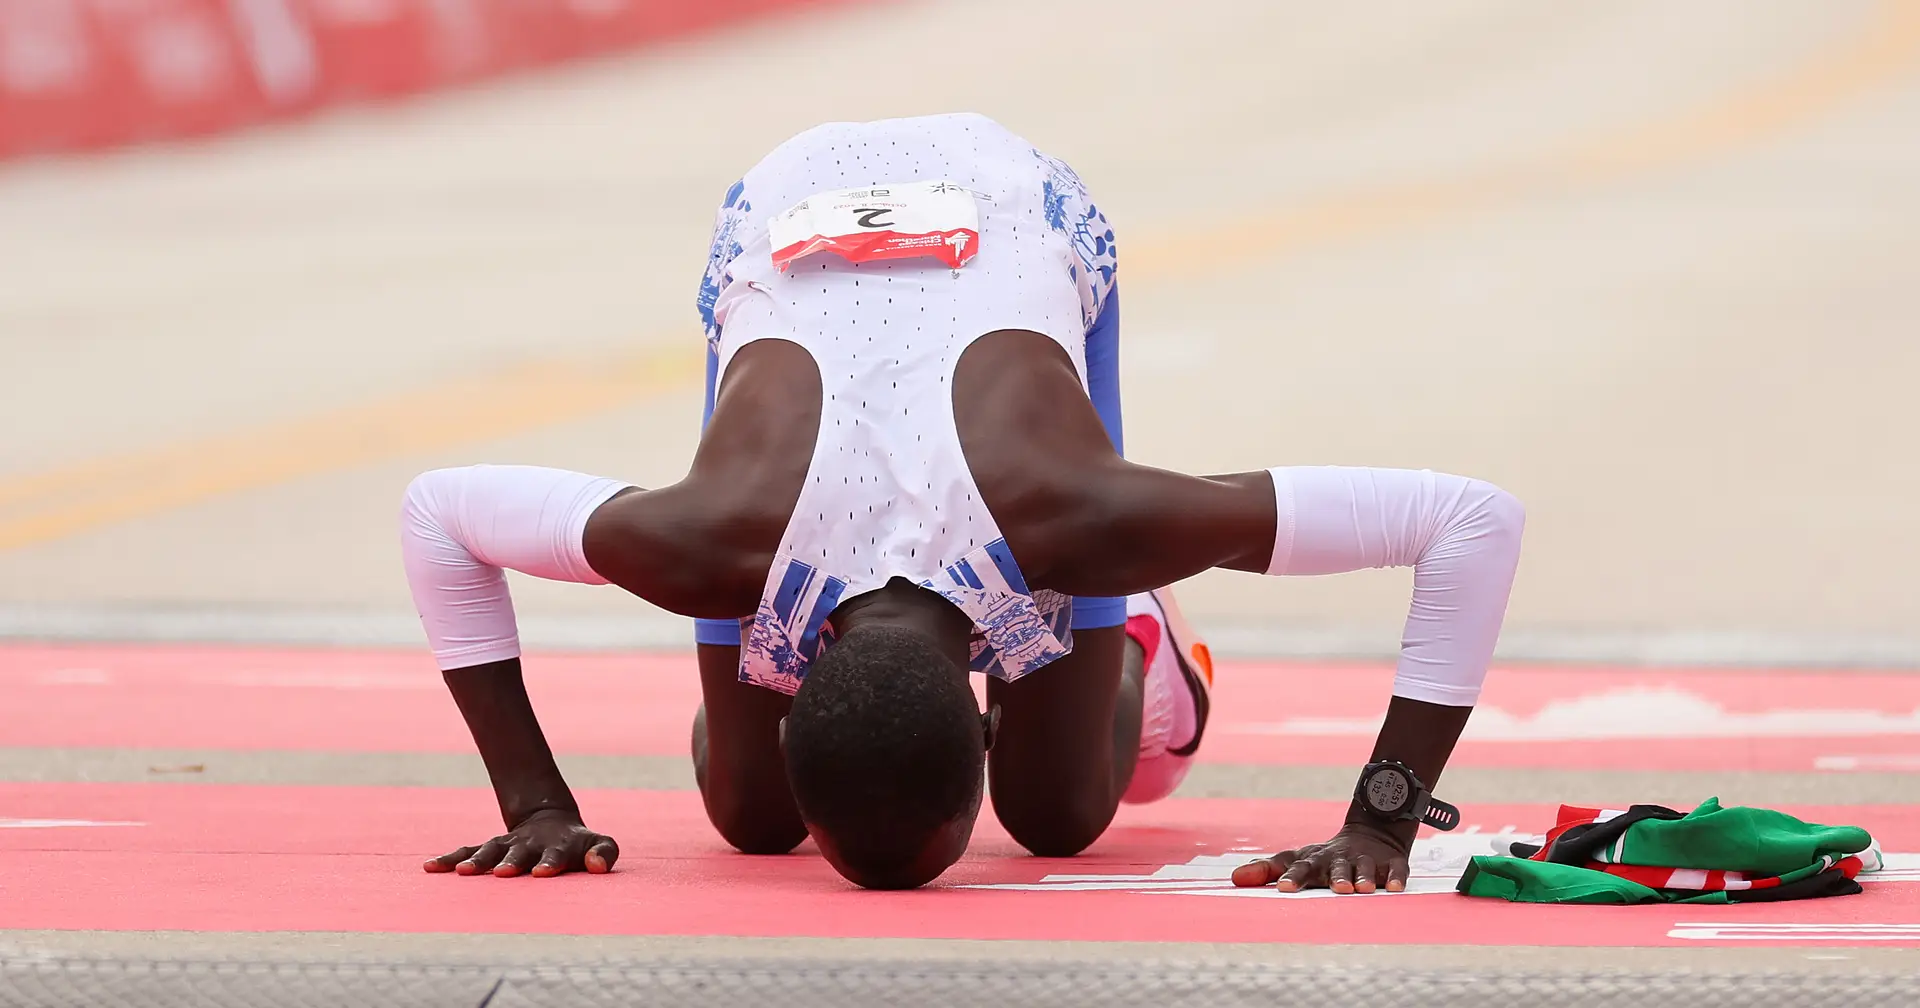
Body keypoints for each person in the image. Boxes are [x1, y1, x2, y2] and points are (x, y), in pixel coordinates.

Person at [399, 113, 1525, 892]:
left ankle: (1142, 623)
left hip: (1008, 203)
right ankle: (1057, 653)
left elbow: (1477, 518)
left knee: (1059, 818)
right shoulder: (704, 539)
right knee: (751, 821)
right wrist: (533, 805)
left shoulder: (1084, 518)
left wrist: (1385, 819)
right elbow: (436, 511)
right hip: (791, 223)